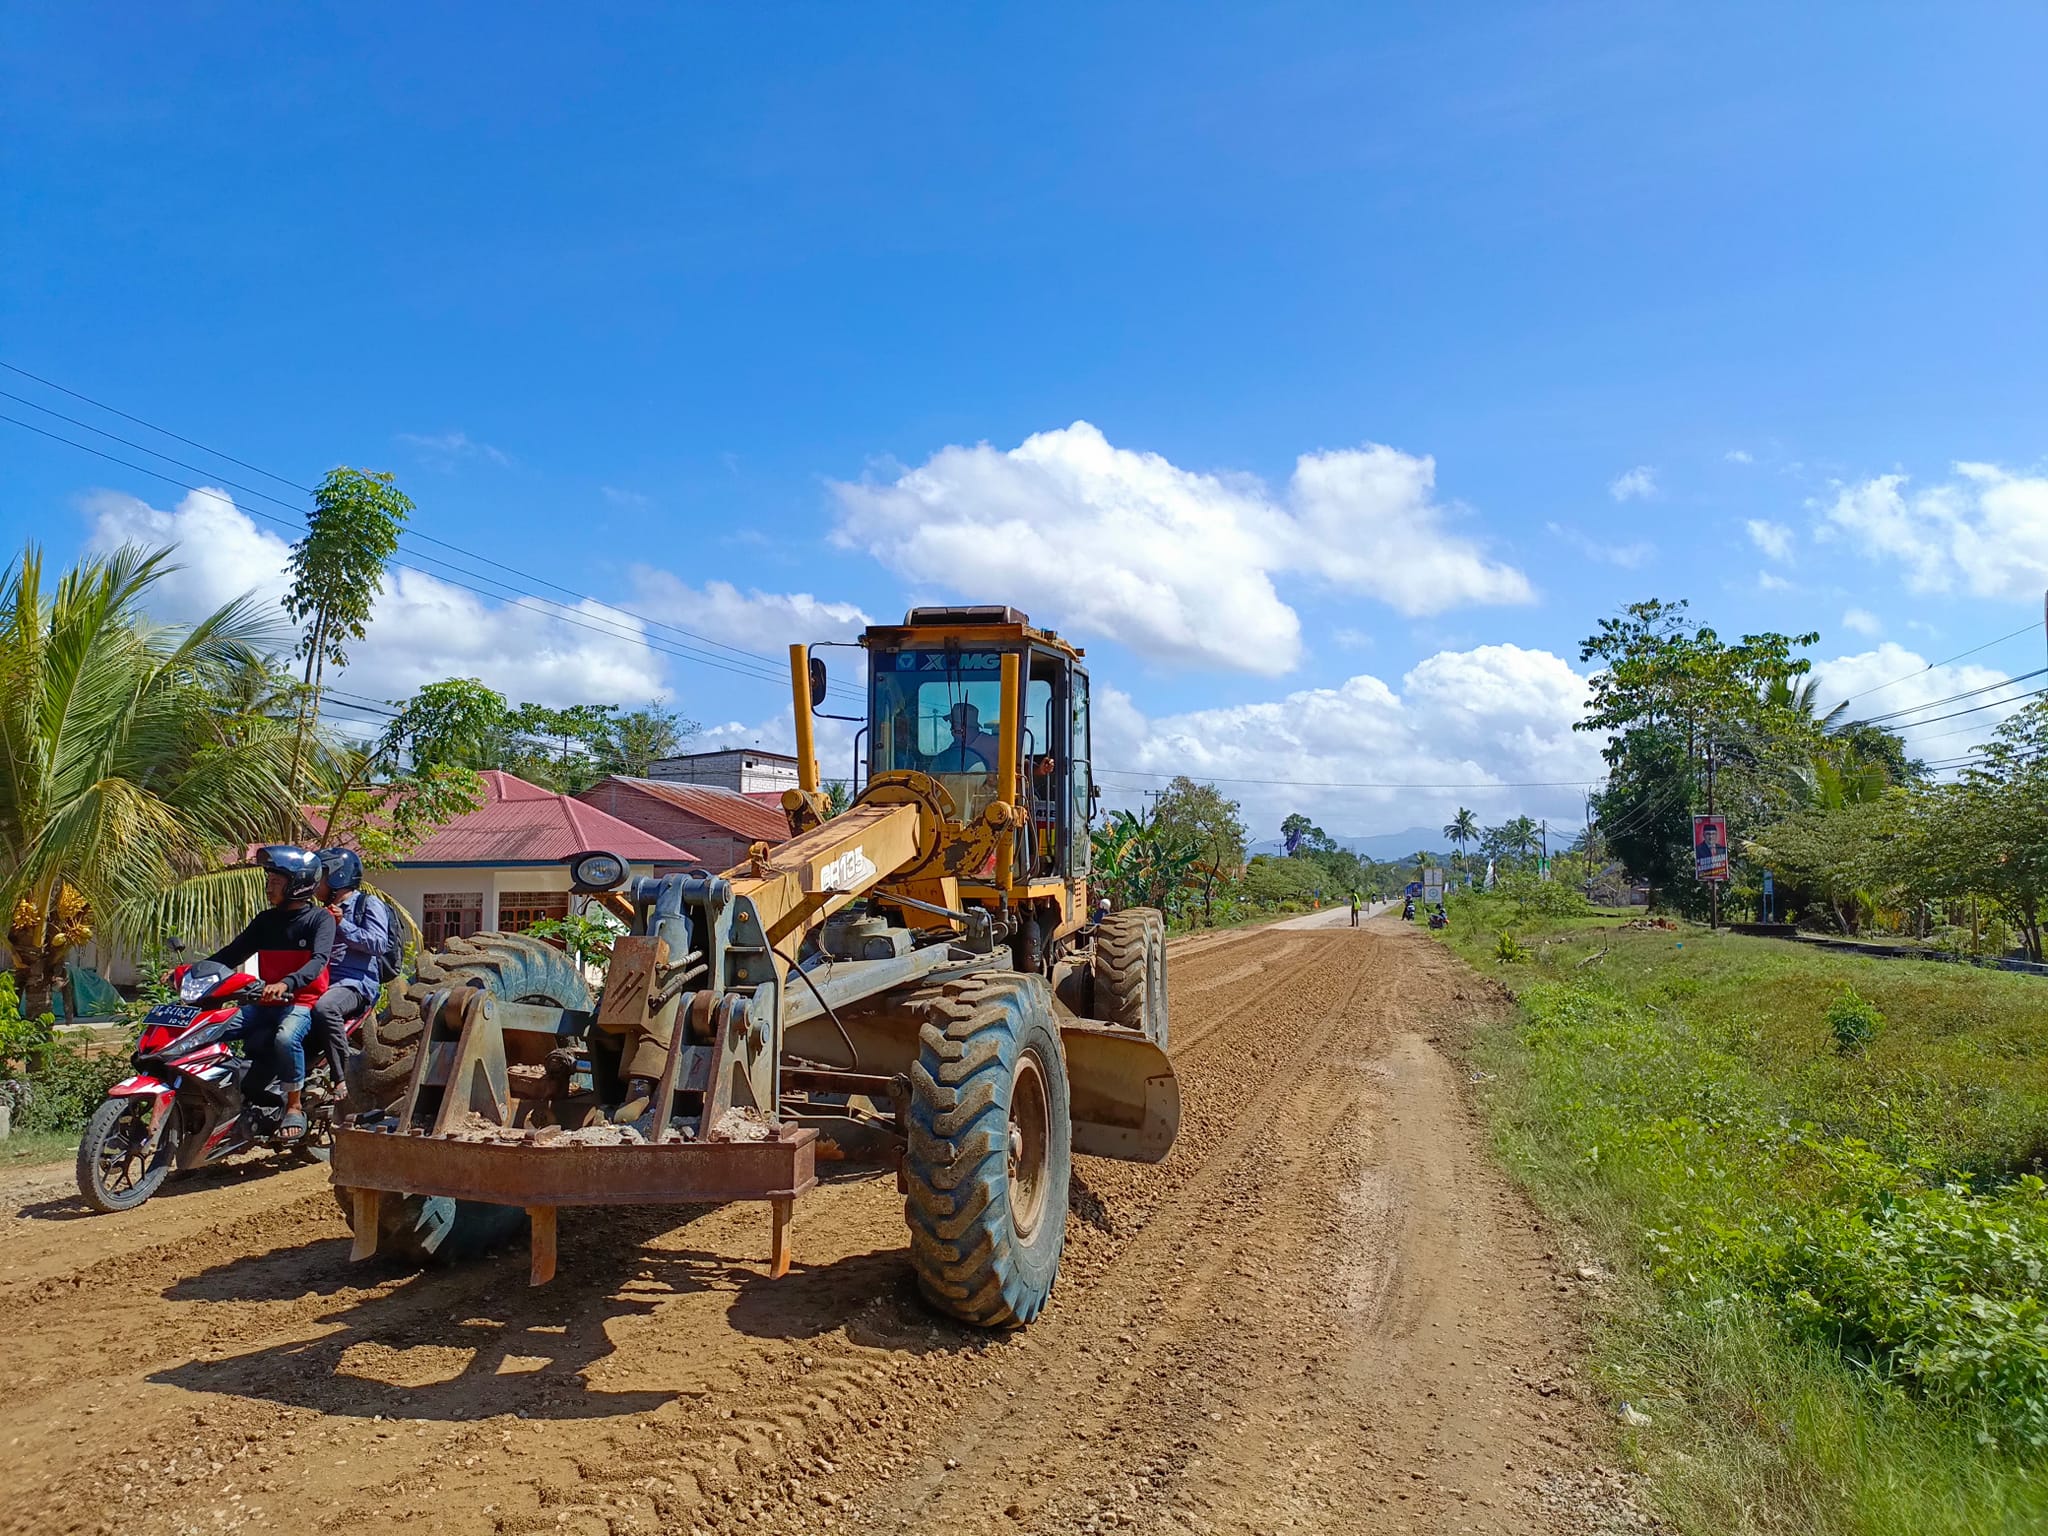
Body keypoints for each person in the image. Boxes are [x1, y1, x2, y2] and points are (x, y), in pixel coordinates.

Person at [204, 845, 334, 1142]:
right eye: (269, 881)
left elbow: (318, 962)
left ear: (298, 883)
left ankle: (294, 1106)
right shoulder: (265, 921)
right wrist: (192, 970)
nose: (269, 887)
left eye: (276, 882)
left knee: (286, 1038)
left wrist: (287, 983)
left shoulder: (319, 920)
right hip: (265, 1000)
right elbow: (232, 953)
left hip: (302, 1001)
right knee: (212, 1026)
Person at [312, 847, 388, 1079]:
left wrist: (343, 924)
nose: (315, 882)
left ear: (338, 875)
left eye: (320, 876)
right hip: (321, 982)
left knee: (326, 1008)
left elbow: (378, 943)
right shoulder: (320, 911)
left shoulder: (368, 904)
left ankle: (342, 1077)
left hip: (354, 983)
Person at [927, 701, 1000, 773]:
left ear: (965, 726)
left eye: (954, 725)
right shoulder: (954, 747)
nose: (951, 729)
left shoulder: (995, 745)